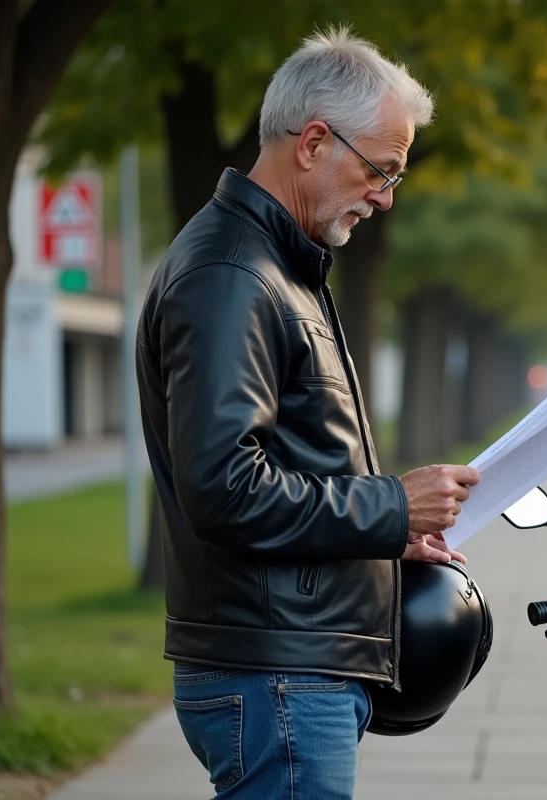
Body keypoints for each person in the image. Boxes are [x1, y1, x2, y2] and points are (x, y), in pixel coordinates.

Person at [135, 27, 479, 799]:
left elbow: (287, 467)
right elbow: (224, 486)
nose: (386, 197)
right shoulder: (233, 274)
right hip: (278, 678)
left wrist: (385, 538)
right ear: (315, 141)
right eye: (381, 170)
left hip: (290, 671)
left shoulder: (276, 267)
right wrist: (391, 505)